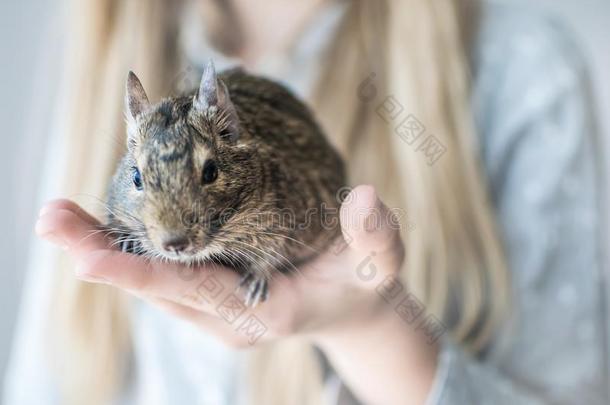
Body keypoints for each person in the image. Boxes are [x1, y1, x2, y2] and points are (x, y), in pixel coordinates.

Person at [4, 0, 607, 404]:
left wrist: (367, 327)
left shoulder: (520, 65)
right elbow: (50, 376)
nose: (171, 234)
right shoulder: (113, 44)